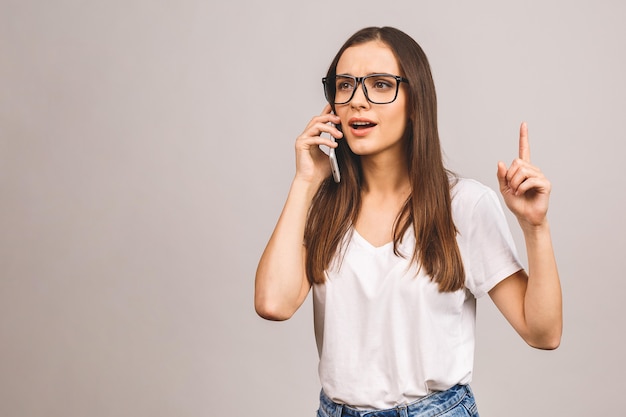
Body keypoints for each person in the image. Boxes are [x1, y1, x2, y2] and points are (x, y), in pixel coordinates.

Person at [255, 26, 562, 417]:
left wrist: (536, 228)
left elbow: (543, 333)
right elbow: (272, 303)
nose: (357, 102)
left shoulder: (464, 205)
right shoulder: (321, 206)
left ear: (415, 102)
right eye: (344, 85)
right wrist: (305, 181)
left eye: (380, 85)